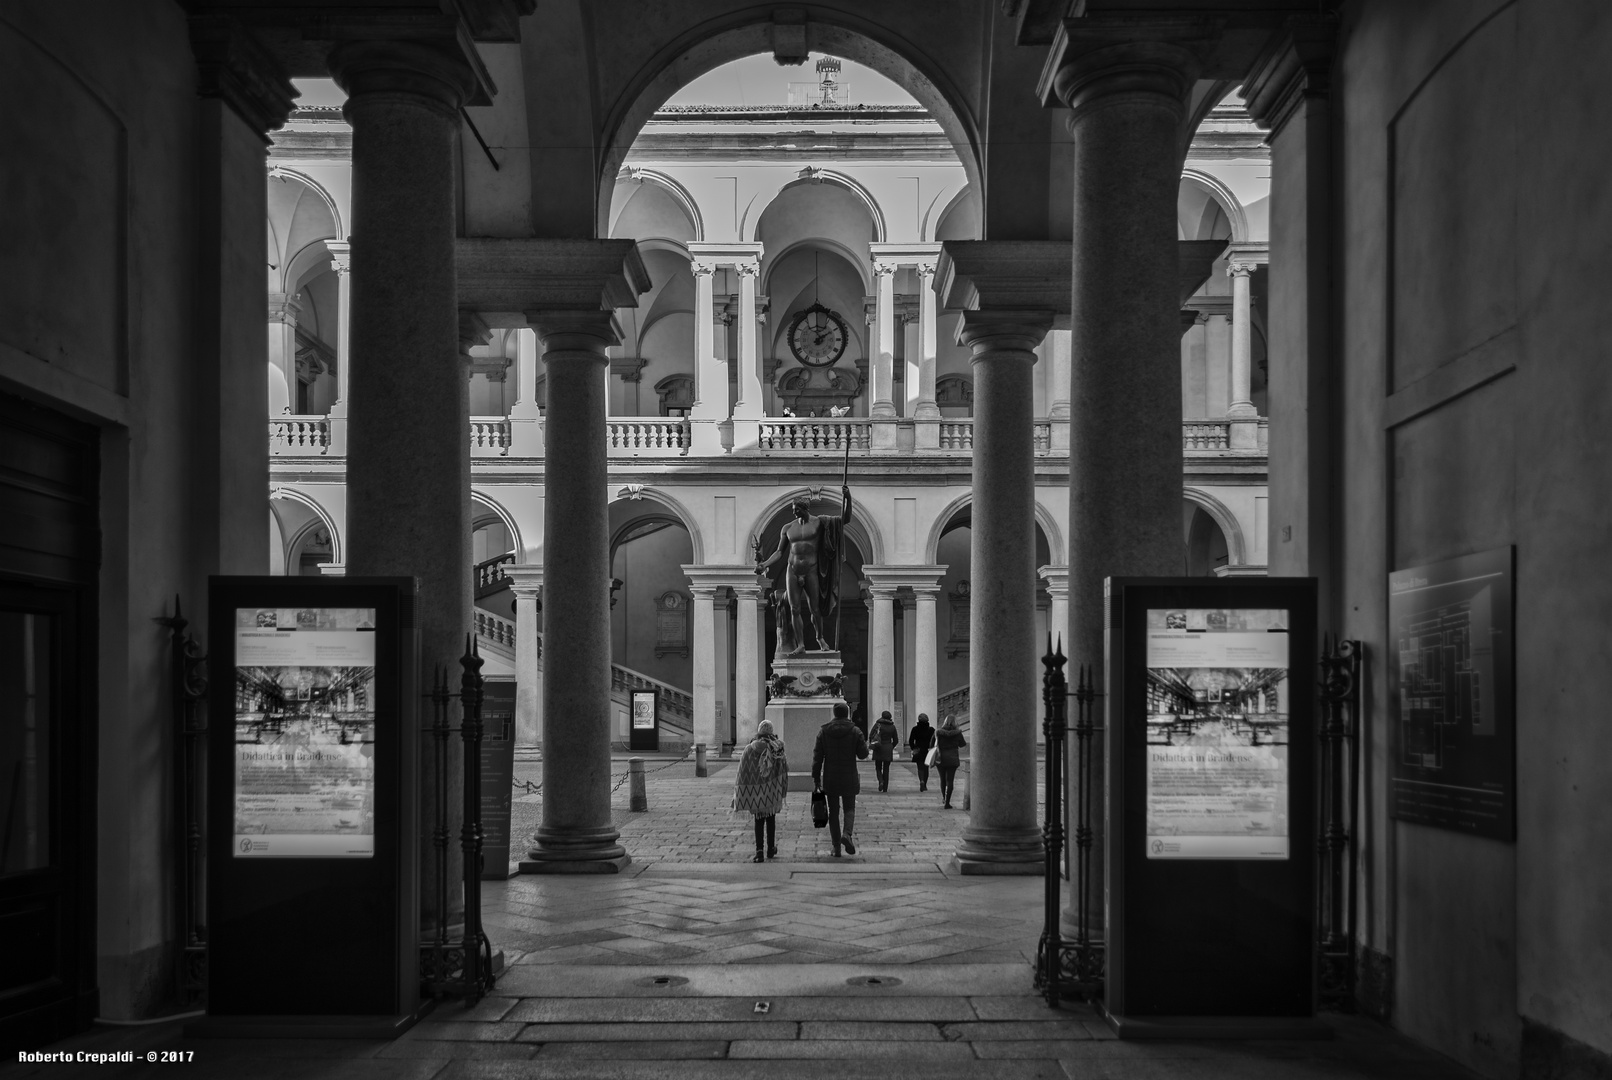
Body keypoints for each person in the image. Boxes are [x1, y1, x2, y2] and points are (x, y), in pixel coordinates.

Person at [754, 487, 853, 653]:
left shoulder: (820, 522)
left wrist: (848, 498)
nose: (794, 513)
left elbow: (845, 519)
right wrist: (765, 564)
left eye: (797, 510)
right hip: (792, 569)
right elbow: (779, 552)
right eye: (793, 510)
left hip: (811, 569)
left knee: (815, 608)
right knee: (794, 608)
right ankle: (800, 645)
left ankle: (820, 638)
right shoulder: (787, 528)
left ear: (805, 509)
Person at [812, 701, 868, 856]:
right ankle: (847, 834)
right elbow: (863, 755)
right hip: (849, 775)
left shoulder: (824, 731)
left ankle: (836, 846)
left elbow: (817, 758)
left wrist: (816, 777)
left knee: (833, 811)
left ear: (835, 714)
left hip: (831, 776)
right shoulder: (855, 731)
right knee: (849, 808)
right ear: (847, 713)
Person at [733, 719, 788, 862]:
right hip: (772, 791)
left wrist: (739, 793)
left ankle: (759, 852)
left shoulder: (749, 749)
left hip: (755, 793)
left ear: (759, 731)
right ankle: (770, 849)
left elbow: (742, 772)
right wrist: (782, 789)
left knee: (758, 821)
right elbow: (784, 771)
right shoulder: (778, 749)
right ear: (771, 732)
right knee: (771, 819)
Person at [935, 714, 967, 809]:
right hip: (952, 758)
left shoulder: (938, 733)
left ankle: (944, 798)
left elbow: (931, 744)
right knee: (950, 780)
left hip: (940, 758)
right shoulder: (957, 733)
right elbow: (962, 744)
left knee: (942, 779)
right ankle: (947, 802)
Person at [869, 710, 899, 792]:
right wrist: (891, 746)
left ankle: (881, 781)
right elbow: (896, 740)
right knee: (886, 768)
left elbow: (871, 735)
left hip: (878, 747)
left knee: (878, 767)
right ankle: (885, 787)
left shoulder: (878, 725)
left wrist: (873, 744)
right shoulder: (892, 727)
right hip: (888, 747)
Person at [907, 712, 936, 792]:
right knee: (926, 768)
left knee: (920, 767)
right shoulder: (931, 730)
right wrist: (932, 748)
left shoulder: (915, 729)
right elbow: (935, 740)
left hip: (918, 749)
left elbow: (911, 740)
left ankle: (921, 781)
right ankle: (925, 784)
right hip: (928, 750)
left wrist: (913, 748)